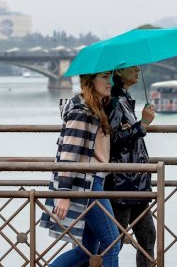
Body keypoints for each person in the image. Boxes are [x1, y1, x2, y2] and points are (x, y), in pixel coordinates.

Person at [40, 71, 121, 267]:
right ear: (89, 81)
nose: (109, 82)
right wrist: (64, 194)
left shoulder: (93, 109)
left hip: (92, 181)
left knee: (86, 250)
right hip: (88, 184)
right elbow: (69, 153)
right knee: (111, 243)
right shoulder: (82, 111)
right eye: (104, 77)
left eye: (110, 76)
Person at [106, 65, 156, 266]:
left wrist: (139, 123)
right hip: (122, 183)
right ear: (117, 72)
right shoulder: (115, 102)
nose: (138, 69)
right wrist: (143, 124)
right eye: (132, 67)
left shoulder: (124, 100)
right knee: (115, 242)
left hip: (135, 181)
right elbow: (114, 139)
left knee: (148, 237)